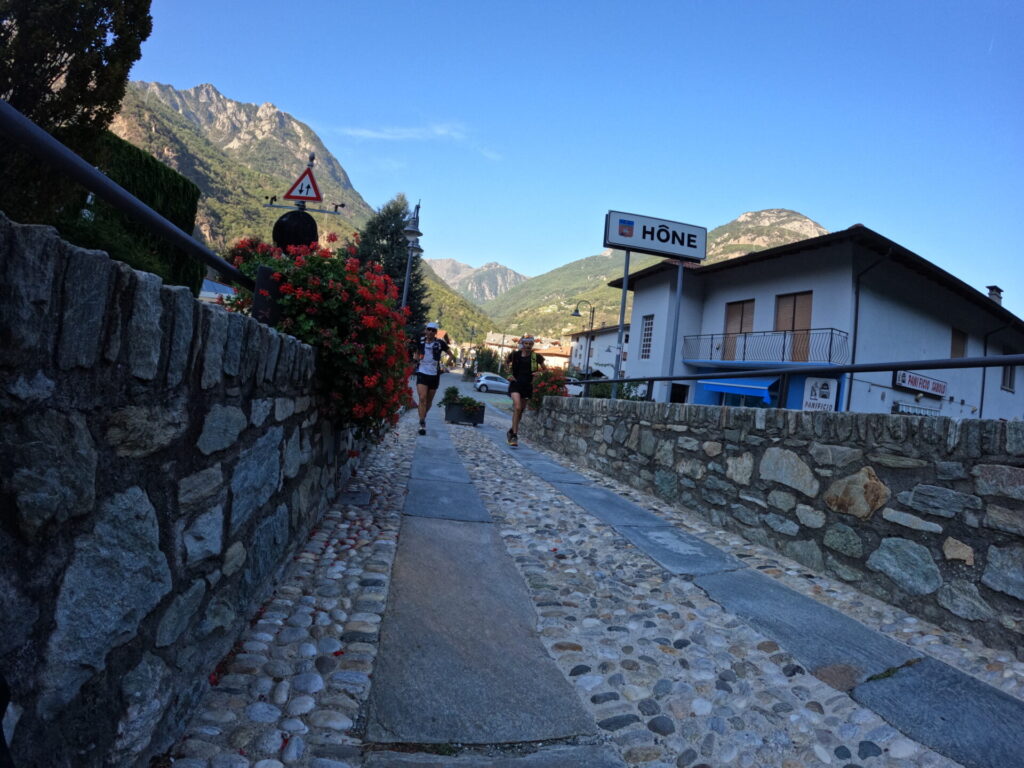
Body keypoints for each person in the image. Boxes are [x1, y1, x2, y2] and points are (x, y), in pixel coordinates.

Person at [414, 322, 455, 435]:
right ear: (426, 330)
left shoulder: (440, 343)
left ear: (436, 333)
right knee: (422, 398)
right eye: (429, 329)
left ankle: (422, 416)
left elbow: (451, 355)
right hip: (422, 372)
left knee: (429, 401)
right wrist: (416, 359)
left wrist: (446, 364)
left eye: (433, 330)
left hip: (434, 375)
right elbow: (417, 353)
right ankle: (422, 423)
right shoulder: (420, 341)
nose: (431, 332)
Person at [505, 335, 545, 446]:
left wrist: (539, 373)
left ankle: (511, 431)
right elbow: (506, 364)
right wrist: (508, 374)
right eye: (526, 343)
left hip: (527, 386)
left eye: (530, 344)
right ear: (522, 344)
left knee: (521, 411)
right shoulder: (514, 355)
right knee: (517, 407)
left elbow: (545, 370)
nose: (528, 346)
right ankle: (514, 436)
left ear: (532, 345)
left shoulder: (536, 357)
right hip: (515, 384)